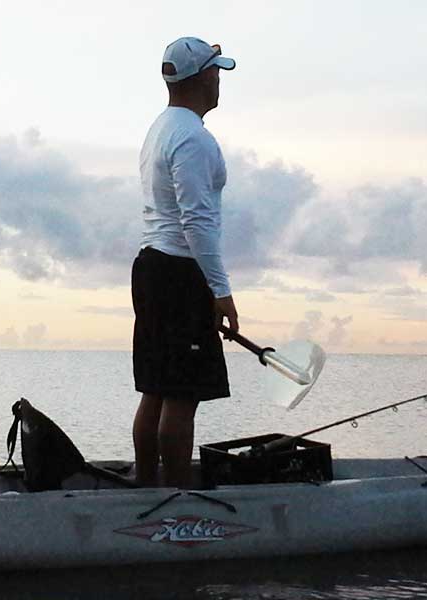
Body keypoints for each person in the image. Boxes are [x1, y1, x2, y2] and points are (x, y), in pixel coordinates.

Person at [131, 36, 238, 489]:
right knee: (181, 393)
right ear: (201, 78)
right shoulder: (192, 138)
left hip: (152, 268)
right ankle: (176, 500)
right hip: (179, 272)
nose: (219, 81)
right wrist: (220, 291)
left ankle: (145, 488)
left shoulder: (161, 127)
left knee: (156, 387)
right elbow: (197, 221)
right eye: (216, 72)